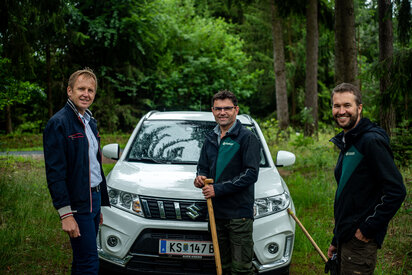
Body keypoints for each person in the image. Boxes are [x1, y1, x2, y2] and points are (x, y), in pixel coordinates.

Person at [327, 82, 406, 274]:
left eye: (347, 105)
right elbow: (349, 194)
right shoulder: (349, 140)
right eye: (337, 106)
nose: (341, 111)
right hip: (345, 236)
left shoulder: (371, 141)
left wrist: (367, 229)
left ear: (359, 108)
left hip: (360, 242)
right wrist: (336, 239)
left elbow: (396, 191)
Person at [43, 68, 110, 274]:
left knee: (81, 260)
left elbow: (94, 165)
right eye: (81, 88)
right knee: (90, 262)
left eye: (91, 90)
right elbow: (55, 173)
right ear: (69, 91)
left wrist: (99, 205)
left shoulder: (90, 122)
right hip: (78, 204)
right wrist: (66, 214)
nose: (86, 94)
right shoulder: (59, 123)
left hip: (94, 200)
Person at [194, 90, 261, 274]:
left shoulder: (247, 138)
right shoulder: (210, 138)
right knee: (221, 266)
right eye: (218, 109)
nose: (222, 112)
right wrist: (199, 178)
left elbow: (251, 174)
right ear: (212, 110)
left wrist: (218, 189)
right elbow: (202, 167)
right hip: (216, 214)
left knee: (241, 269)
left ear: (236, 110)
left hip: (239, 215)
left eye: (227, 108)